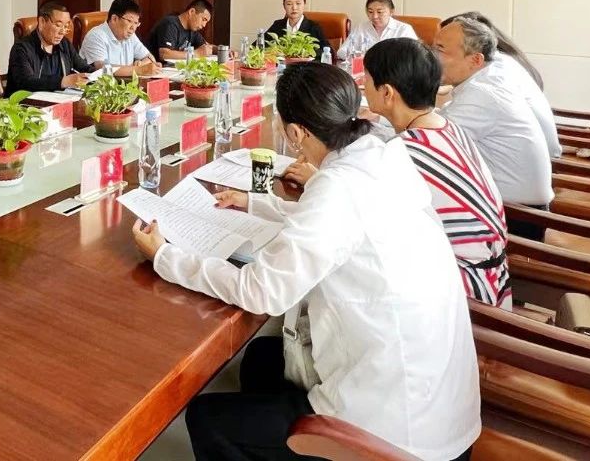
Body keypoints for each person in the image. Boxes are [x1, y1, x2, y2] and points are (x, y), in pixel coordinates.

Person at [132, 63, 479, 461]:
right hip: (437, 401)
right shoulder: (381, 155)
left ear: (296, 132)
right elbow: (345, 224)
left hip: (398, 436)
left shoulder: (337, 187)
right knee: (261, 361)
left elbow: (262, 291)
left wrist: (165, 256)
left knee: (207, 418)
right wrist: (256, 203)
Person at [361, 38, 511, 309]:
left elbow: (361, 217)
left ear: (387, 93)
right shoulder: (448, 128)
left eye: (367, 79)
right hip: (495, 282)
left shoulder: (401, 154)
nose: (362, 85)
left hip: (462, 298)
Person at [433, 17, 553, 240]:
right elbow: (440, 122)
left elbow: (429, 142)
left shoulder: (482, 94)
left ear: (475, 60)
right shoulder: (486, 80)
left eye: (440, 50)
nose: (431, 57)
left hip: (515, 219)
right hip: (510, 207)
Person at [441, 12, 560, 158]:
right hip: (540, 150)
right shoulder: (500, 64)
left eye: (441, 47)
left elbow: (437, 137)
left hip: (546, 157)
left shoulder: (486, 86)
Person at [6, 0, 91, 93]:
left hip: (59, 99)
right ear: (42, 22)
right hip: (27, 101)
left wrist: (99, 74)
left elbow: (84, 68)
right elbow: (26, 83)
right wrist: (63, 82)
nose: (63, 32)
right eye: (58, 25)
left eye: (66, 26)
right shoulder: (21, 49)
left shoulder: (64, 44)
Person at [79, 0, 159, 77]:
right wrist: (139, 70)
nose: (133, 28)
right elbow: (103, 69)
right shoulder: (96, 36)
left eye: (136, 23)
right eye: (129, 21)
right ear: (114, 19)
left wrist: (141, 64)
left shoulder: (131, 36)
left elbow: (150, 58)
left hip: (124, 82)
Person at [336, 0, 417, 60]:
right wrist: (356, 56)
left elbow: (414, 56)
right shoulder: (361, 28)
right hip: (365, 71)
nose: (374, 16)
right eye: (370, 12)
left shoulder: (404, 30)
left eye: (379, 12)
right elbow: (342, 52)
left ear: (391, 12)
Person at [150, 0, 215, 63]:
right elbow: (164, 54)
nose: (204, 25)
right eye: (203, 19)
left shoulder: (193, 30)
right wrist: (195, 54)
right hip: (156, 67)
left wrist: (219, 49)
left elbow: (206, 47)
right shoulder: (170, 24)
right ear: (191, 12)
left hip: (174, 68)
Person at [264, 0, 330, 53]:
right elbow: (260, 45)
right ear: (284, 6)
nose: (294, 8)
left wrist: (306, 53)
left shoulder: (314, 27)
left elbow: (328, 52)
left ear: (304, 5)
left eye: (298, 3)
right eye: (289, 4)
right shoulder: (277, 25)